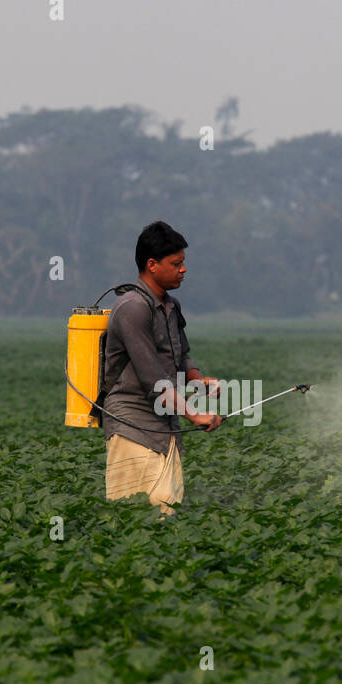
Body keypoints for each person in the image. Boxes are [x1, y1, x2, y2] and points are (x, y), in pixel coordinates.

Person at [101, 221, 221, 516]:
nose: (184, 269)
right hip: (132, 423)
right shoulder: (132, 308)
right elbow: (153, 378)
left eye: (184, 263)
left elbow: (182, 355)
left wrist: (198, 380)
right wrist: (194, 414)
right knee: (136, 515)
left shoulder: (171, 305)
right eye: (176, 263)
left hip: (165, 422)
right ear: (152, 265)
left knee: (166, 510)